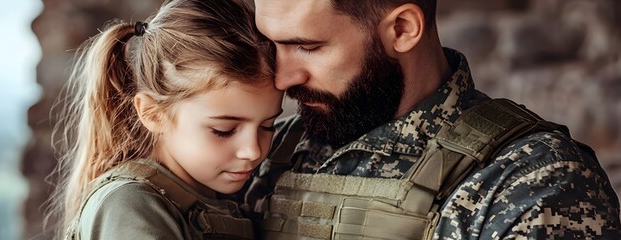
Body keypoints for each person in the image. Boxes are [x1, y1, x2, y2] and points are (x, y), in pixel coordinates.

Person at [242, 0, 621, 239]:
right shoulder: (263, 146)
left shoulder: (534, 180)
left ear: (403, 29)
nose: (282, 77)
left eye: (307, 47)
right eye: (271, 44)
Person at [54, 0, 281, 239]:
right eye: (223, 130)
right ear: (153, 115)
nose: (253, 151)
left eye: (268, 126)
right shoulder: (130, 205)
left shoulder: (216, 194)